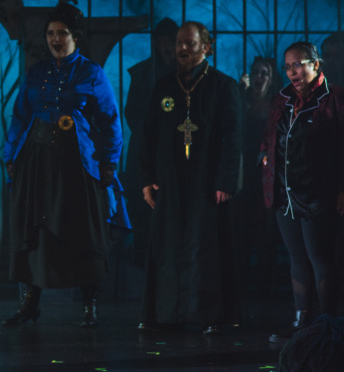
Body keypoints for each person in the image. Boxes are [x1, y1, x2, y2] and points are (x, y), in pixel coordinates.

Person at [2, 2, 125, 328]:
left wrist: (110, 162)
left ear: (75, 36)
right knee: (36, 228)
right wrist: (10, 155)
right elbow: (20, 116)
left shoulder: (90, 73)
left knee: (81, 229)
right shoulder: (37, 72)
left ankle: (89, 304)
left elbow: (110, 119)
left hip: (77, 164)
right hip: (38, 162)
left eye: (63, 33)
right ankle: (31, 302)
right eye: (51, 33)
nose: (56, 39)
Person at [139, 21, 242, 335]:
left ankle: (207, 313)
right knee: (168, 246)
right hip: (170, 182)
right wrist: (147, 179)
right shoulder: (164, 85)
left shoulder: (223, 86)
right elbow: (147, 136)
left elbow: (234, 137)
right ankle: (165, 312)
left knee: (206, 246)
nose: (182, 49)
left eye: (189, 43)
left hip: (207, 182)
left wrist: (225, 180)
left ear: (206, 47)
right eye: (179, 43)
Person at [260, 42, 344, 343]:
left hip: (317, 194)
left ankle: (328, 324)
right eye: (287, 66)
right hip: (285, 194)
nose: (292, 71)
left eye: (298, 64)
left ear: (315, 65)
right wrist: (266, 156)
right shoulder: (282, 99)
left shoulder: (333, 98)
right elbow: (271, 135)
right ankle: (302, 322)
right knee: (297, 258)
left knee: (320, 258)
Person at [123, 18, 178, 264]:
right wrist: (150, 135)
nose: (166, 46)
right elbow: (131, 111)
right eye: (162, 41)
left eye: (170, 41)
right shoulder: (143, 72)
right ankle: (141, 259)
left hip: (176, 148)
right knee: (140, 203)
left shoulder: (184, 72)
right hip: (144, 148)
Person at [237, 56, 282, 292]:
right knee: (243, 224)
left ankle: (267, 281)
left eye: (264, 73)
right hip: (244, 172)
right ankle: (243, 281)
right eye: (256, 72)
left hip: (268, 172)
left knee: (267, 227)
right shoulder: (242, 103)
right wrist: (239, 95)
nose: (259, 77)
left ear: (271, 78)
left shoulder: (276, 106)